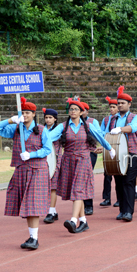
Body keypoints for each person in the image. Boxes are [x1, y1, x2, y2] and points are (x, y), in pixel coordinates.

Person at [0, 97, 52, 250]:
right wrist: (10, 120)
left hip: (38, 170)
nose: (25, 115)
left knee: (32, 204)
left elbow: (47, 149)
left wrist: (31, 154)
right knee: (26, 205)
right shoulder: (16, 128)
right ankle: (33, 238)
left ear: (34, 114)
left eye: (27, 113)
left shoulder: (42, 130)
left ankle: (34, 238)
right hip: (22, 170)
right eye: (22, 112)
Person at [48, 98, 114, 234]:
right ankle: (83, 221)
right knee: (76, 190)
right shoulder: (63, 126)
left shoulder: (88, 126)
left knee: (77, 190)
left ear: (81, 112)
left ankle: (73, 220)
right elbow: (49, 137)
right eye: (71, 109)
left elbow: (100, 137)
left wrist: (109, 148)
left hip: (83, 160)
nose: (73, 111)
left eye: (76, 109)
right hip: (68, 161)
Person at [106, 86, 137, 222]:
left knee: (128, 181)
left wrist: (120, 129)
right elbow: (106, 133)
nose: (120, 105)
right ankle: (122, 210)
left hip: (132, 153)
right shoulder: (112, 119)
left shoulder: (136, 117)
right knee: (119, 182)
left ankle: (128, 211)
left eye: (123, 103)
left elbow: (133, 128)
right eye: (118, 103)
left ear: (129, 104)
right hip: (116, 153)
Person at [80, 100, 100, 216]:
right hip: (77, 154)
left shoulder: (93, 122)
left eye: (83, 110)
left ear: (86, 111)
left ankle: (88, 205)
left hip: (90, 153)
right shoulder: (71, 123)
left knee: (86, 177)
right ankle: (80, 204)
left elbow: (99, 134)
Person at [43, 108, 62, 224]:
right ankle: (53, 211)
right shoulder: (41, 129)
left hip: (55, 161)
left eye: (50, 117)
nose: (48, 120)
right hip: (43, 160)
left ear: (55, 119)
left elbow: (49, 139)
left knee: (53, 187)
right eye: (46, 117)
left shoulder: (58, 130)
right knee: (46, 187)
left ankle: (51, 211)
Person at [100, 96, 120, 207]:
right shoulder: (106, 119)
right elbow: (101, 131)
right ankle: (106, 198)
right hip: (108, 146)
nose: (111, 109)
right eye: (110, 107)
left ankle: (119, 198)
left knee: (117, 174)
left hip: (117, 147)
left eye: (114, 107)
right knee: (107, 174)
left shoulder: (120, 119)